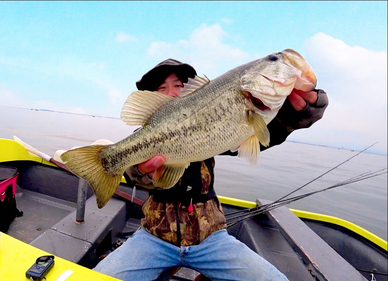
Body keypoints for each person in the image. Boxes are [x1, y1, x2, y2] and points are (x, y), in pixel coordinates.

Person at [93, 58, 328, 280]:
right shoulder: (145, 137)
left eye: (177, 85)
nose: (171, 92)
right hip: (154, 237)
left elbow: (250, 137)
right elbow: (134, 174)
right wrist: (137, 173)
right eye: (161, 88)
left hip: (211, 239)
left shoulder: (215, 131)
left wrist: (287, 121)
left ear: (193, 92)